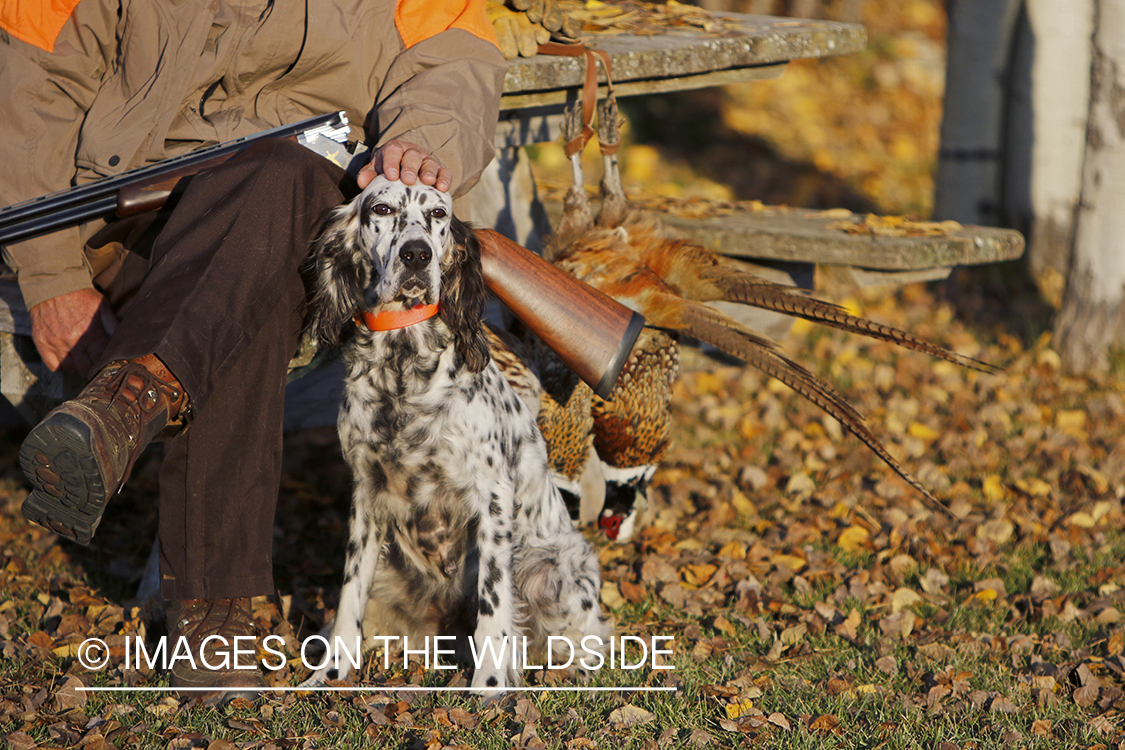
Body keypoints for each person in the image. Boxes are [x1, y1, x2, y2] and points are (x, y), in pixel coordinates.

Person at [0, 0, 507, 698]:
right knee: (251, 282)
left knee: (276, 193)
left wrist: (420, 144)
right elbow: (29, 88)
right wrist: (52, 277)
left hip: (296, 217)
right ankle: (215, 613)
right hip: (123, 229)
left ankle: (128, 403)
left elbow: (456, 59)